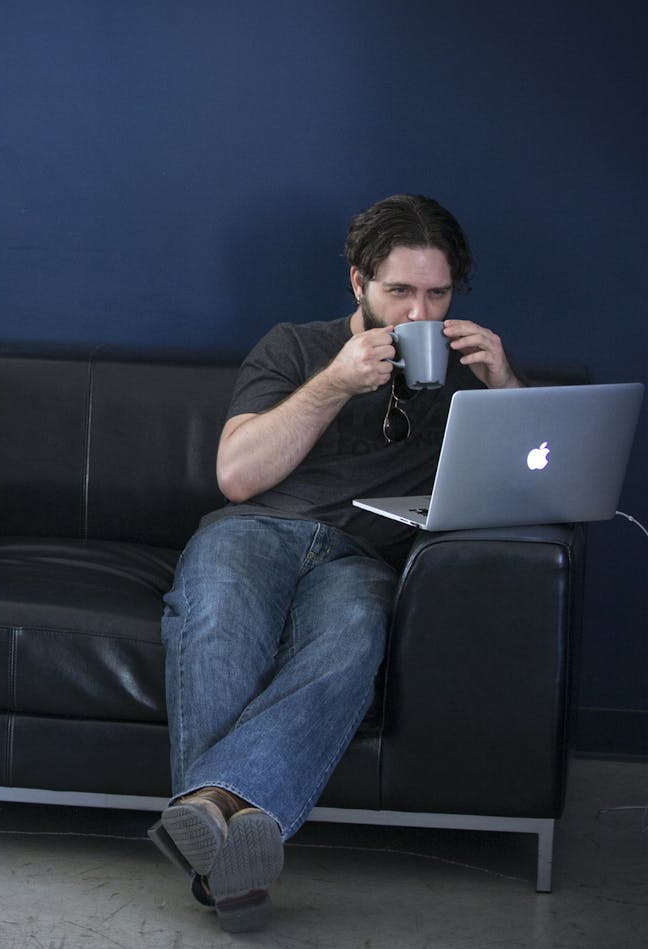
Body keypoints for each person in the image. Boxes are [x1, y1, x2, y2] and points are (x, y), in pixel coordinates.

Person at [148, 194, 523, 932]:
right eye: (399, 291)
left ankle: (209, 816)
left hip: (364, 555)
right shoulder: (293, 346)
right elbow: (237, 474)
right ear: (358, 284)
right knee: (219, 615)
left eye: (437, 293)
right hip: (256, 530)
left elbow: (530, 487)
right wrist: (335, 384)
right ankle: (232, 846)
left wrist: (505, 382)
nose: (420, 312)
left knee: (353, 635)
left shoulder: (470, 370)